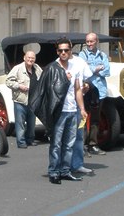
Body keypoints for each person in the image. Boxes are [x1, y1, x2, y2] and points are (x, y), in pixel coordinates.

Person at [29, 38, 87, 185]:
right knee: (56, 144)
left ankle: (65, 171)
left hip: (72, 110)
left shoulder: (75, 67)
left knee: (69, 144)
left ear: (70, 50)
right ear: (57, 52)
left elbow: (78, 89)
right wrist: (64, 80)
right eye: (60, 50)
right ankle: (54, 172)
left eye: (66, 50)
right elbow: (46, 92)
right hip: (58, 112)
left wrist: (82, 108)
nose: (63, 53)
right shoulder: (52, 68)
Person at [79, 32, 110, 156]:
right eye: (87, 42)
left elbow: (107, 71)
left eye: (91, 41)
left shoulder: (103, 55)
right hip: (87, 91)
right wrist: (96, 69)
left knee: (95, 120)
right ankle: (82, 146)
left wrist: (92, 69)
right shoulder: (82, 54)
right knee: (83, 119)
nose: (89, 44)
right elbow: (84, 71)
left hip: (100, 92)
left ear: (96, 41)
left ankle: (93, 144)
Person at [5, 50, 42, 148]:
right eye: (29, 57)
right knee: (20, 123)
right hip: (20, 100)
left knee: (31, 123)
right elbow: (8, 81)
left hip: (33, 100)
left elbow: (43, 79)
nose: (30, 60)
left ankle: (30, 140)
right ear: (24, 58)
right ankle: (21, 142)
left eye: (32, 58)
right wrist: (19, 86)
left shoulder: (37, 68)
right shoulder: (17, 68)